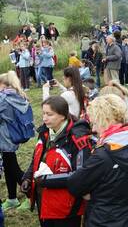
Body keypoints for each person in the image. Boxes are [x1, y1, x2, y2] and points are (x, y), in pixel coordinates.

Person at [67, 94, 128, 227]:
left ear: (106, 119)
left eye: (95, 122)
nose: (93, 129)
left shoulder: (104, 156)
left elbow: (75, 185)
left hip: (103, 220)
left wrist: (90, 192)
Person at [21, 96, 92, 227]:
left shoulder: (77, 138)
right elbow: (37, 158)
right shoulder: (45, 132)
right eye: (43, 113)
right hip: (44, 203)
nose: (44, 118)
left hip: (66, 209)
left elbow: (81, 175)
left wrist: (46, 180)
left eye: (49, 114)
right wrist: (27, 177)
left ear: (63, 116)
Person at [0, 71, 31, 211]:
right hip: (12, 136)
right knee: (9, 167)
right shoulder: (17, 94)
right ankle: (12, 198)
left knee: (14, 168)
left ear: (4, 84)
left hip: (5, 137)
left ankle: (32, 194)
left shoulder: (3, 98)